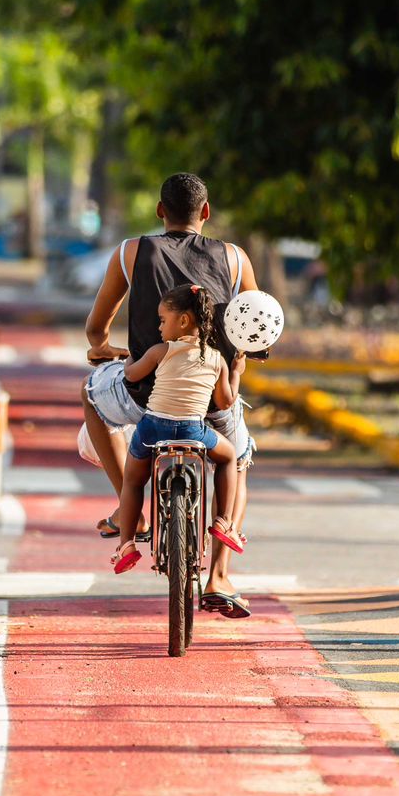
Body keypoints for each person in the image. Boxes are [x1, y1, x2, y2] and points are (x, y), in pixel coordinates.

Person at [82, 172, 258, 617]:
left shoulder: (131, 251)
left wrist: (103, 349)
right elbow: (256, 322)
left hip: (143, 397)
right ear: (207, 212)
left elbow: (96, 327)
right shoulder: (235, 259)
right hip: (210, 401)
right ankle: (219, 574)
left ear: (160, 211)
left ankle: (132, 512)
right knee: (237, 457)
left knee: (90, 397)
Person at [111, 285, 246, 574]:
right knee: (229, 456)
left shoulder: (161, 351)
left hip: (153, 429)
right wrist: (235, 373)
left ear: (183, 321)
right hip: (193, 431)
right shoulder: (216, 360)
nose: (159, 327)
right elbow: (225, 401)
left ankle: (127, 545)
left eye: (162, 320)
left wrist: (130, 360)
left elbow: (132, 375)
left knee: (133, 481)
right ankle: (224, 521)